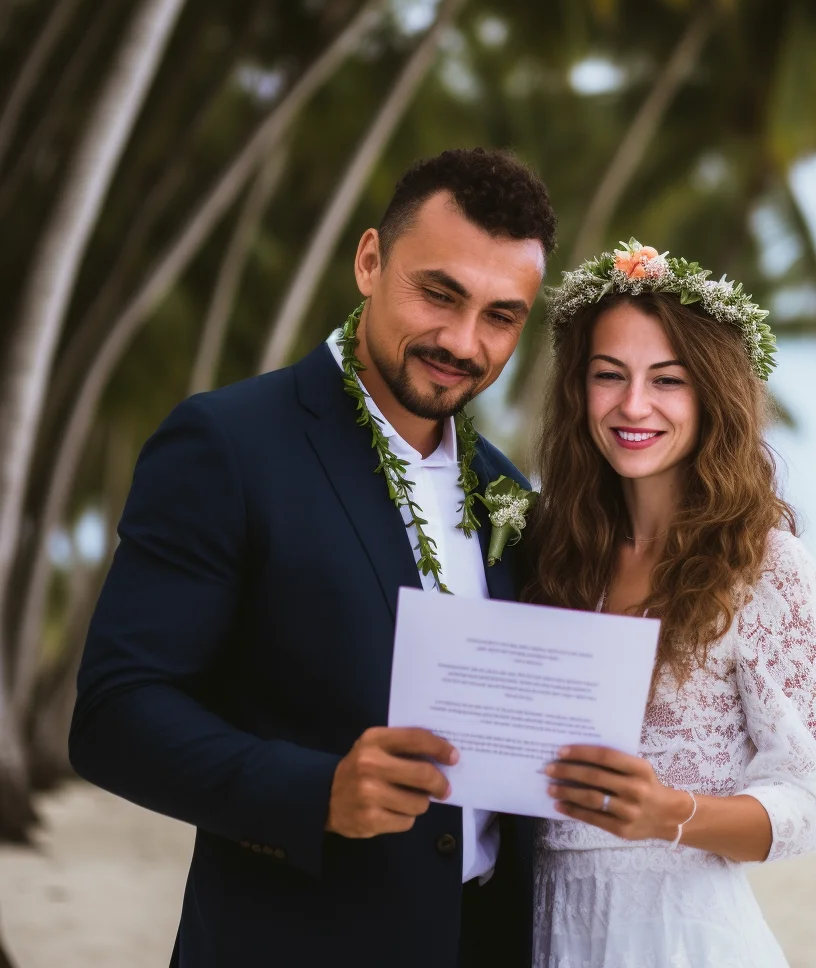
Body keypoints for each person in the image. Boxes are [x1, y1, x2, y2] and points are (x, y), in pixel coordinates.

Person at [69, 148, 557, 968]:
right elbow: (114, 715)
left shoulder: (506, 490)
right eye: (438, 293)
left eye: (501, 315)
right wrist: (318, 792)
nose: (462, 340)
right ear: (370, 260)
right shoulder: (228, 443)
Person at [524, 240, 816, 967]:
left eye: (667, 380)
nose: (633, 405)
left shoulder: (764, 566)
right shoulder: (548, 555)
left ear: (711, 394)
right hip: (537, 929)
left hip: (679, 938)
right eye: (609, 375)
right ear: (579, 391)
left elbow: (812, 797)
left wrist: (671, 814)